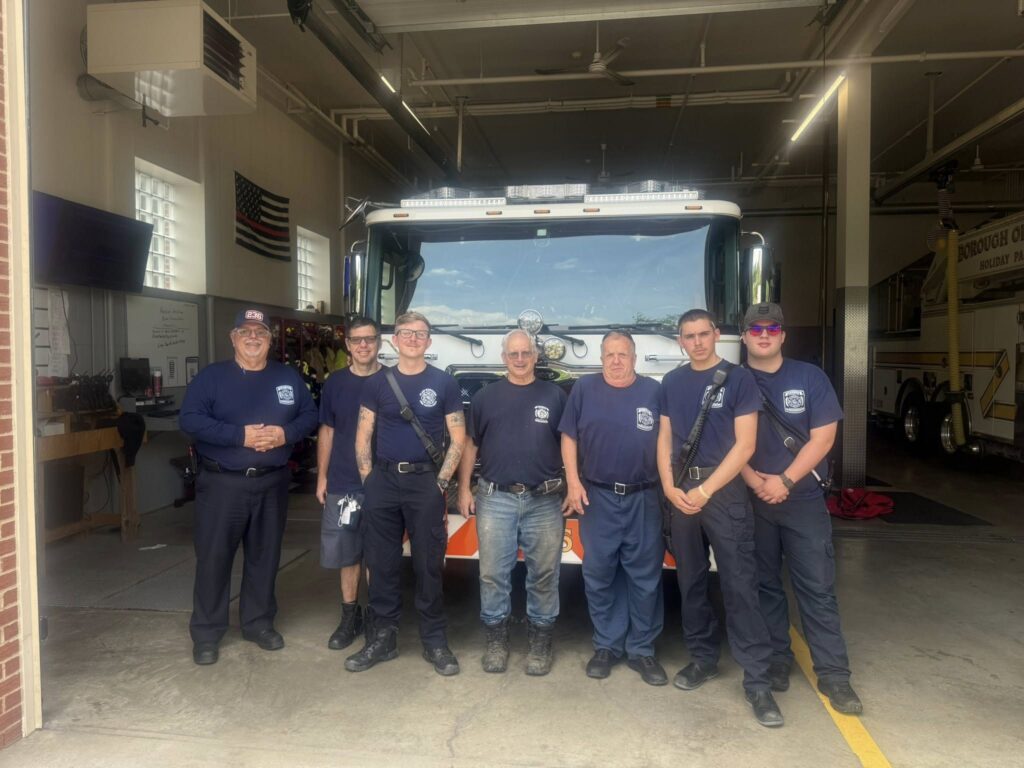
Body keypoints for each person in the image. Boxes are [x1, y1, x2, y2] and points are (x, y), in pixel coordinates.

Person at [657, 308, 783, 727]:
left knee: (739, 585)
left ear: (716, 335)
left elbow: (745, 446)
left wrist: (706, 490)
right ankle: (703, 658)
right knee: (691, 582)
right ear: (681, 341)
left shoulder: (739, 379)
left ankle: (758, 681)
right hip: (682, 492)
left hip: (724, 493)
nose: (696, 342)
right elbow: (664, 438)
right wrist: (669, 487)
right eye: (688, 336)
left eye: (702, 334)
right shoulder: (671, 382)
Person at [740, 302, 863, 715]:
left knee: (817, 588)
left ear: (783, 335)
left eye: (772, 328)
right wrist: (757, 482)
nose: (764, 335)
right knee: (764, 587)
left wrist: (785, 481)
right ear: (744, 337)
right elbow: (726, 442)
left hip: (804, 502)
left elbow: (824, 438)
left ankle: (835, 675)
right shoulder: (733, 381)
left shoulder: (810, 377)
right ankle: (778, 658)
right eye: (756, 329)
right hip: (755, 500)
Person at [180, 308, 318, 666]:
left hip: (272, 483)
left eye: (260, 332)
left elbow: (310, 416)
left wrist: (285, 434)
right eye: (245, 331)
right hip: (222, 484)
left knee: (264, 557)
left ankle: (258, 624)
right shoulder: (212, 378)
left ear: (270, 339)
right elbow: (190, 420)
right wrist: (238, 436)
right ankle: (207, 633)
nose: (253, 337)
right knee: (214, 559)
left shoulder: (287, 377)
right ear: (233, 338)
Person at [345, 311, 466, 676]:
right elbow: (363, 436)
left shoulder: (444, 383)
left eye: (420, 333)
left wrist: (440, 483)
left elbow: (458, 439)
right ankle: (383, 638)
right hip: (382, 481)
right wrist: (369, 480)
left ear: (429, 341)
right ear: (394, 340)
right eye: (406, 333)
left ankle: (434, 641)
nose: (413, 339)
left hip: (425, 482)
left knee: (428, 564)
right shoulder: (377, 384)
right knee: (381, 563)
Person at [456, 330, 568, 676]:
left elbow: (569, 443)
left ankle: (540, 643)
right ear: (504, 358)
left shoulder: (555, 395)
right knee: (492, 575)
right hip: (495, 498)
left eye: (526, 353)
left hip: (544, 500)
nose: (520, 359)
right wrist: (464, 488)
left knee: (544, 575)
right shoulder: (485, 397)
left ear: (536, 357)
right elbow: (471, 445)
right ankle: (496, 642)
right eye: (513, 354)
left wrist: (574, 485)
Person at [559, 332, 667, 686]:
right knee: (599, 574)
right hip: (598, 497)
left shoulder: (654, 391)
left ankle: (642, 650)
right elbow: (569, 436)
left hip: (644, 497)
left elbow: (668, 441)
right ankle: (607, 646)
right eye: (609, 355)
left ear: (634, 357)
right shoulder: (584, 389)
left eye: (623, 354)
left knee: (645, 577)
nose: (616, 361)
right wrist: (573, 482)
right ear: (601, 358)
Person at [315, 316, 382, 650]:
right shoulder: (335, 383)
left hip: (382, 485)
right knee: (347, 554)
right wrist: (322, 476)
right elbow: (327, 430)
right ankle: (349, 617)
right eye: (357, 340)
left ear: (379, 342)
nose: (363, 345)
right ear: (348, 345)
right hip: (343, 484)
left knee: (378, 555)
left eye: (369, 339)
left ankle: (376, 618)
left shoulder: (391, 380)